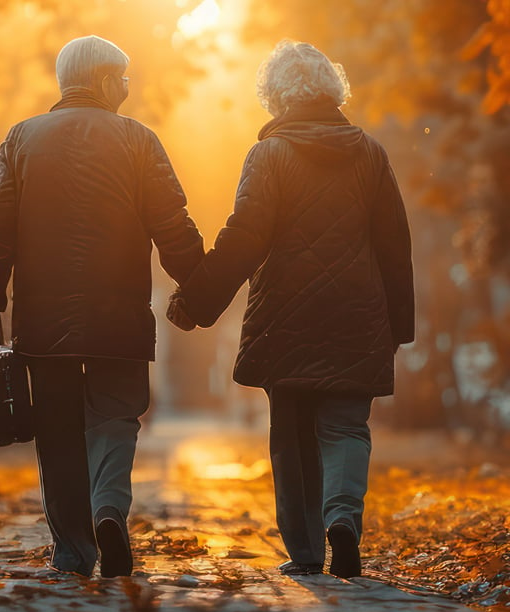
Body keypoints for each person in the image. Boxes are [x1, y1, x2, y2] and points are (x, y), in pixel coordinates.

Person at [167, 40, 415, 578]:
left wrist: (196, 300)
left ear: (274, 96)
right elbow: (395, 243)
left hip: (287, 315)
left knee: (292, 436)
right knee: (347, 427)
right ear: (333, 89)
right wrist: (398, 324)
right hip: (357, 313)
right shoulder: (370, 153)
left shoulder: (269, 155)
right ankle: (344, 518)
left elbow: (244, 239)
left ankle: (305, 551)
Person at [0, 35, 204, 578]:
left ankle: (73, 550)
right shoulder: (140, 141)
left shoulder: (21, 139)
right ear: (101, 80)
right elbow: (174, 227)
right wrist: (198, 289)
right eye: (123, 76)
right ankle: (109, 510)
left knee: (56, 433)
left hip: (42, 322)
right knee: (118, 416)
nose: (127, 86)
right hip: (118, 317)